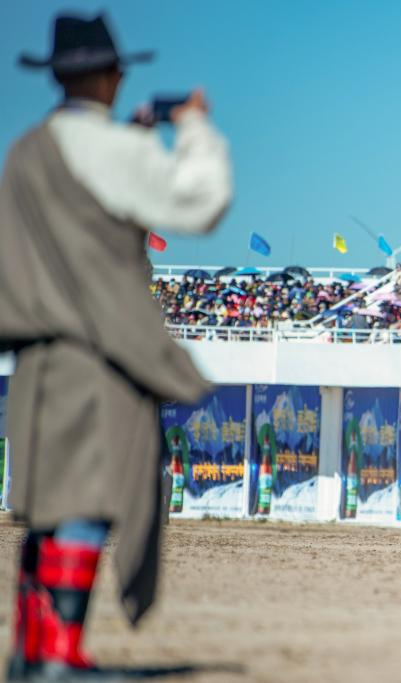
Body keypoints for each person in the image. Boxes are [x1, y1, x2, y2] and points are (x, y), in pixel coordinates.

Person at [0, 13, 232, 680]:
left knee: (50, 501)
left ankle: (34, 648)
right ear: (110, 76)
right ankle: (59, 654)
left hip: (37, 353)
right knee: (91, 496)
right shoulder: (110, 150)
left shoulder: (25, 151)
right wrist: (194, 127)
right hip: (98, 351)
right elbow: (201, 200)